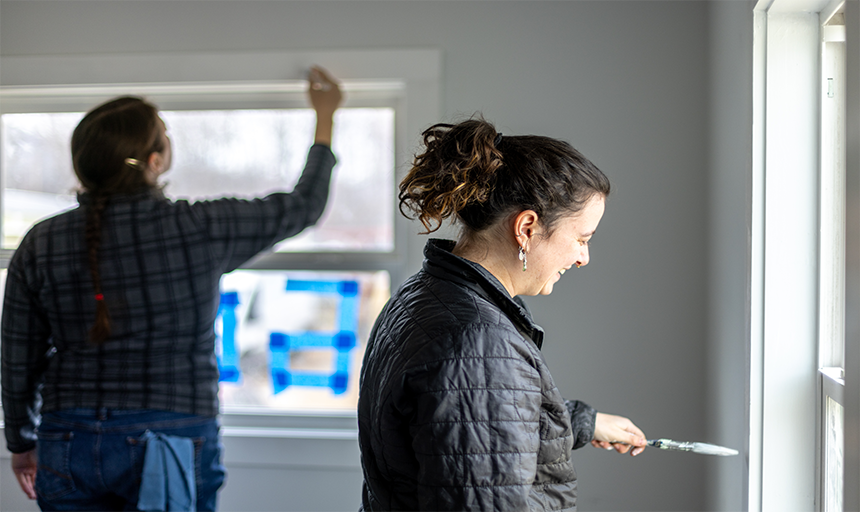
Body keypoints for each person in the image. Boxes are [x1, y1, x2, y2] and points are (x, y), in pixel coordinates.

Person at [2, 66, 343, 511]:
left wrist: (22, 441)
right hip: (174, 433)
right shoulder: (200, 227)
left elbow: (17, 355)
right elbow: (303, 206)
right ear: (155, 160)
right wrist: (326, 117)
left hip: (69, 437)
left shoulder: (41, 241)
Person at [357, 118, 647, 511]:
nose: (583, 257)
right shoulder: (477, 341)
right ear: (526, 227)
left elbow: (464, 422)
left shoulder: (421, 294)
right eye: (581, 239)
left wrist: (580, 422)